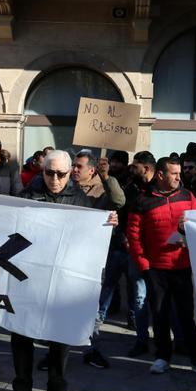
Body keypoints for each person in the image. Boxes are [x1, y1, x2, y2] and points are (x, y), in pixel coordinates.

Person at [10, 150, 117, 391]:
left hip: (62, 282)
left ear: (70, 173)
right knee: (21, 334)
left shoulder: (80, 200)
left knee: (61, 334)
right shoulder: (26, 196)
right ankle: (22, 387)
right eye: (49, 172)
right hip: (28, 278)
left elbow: (90, 237)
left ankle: (57, 387)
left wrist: (107, 224)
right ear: (42, 171)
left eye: (61, 174)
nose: (55, 179)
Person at [126, 156, 196, 376]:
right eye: (175, 173)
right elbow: (134, 236)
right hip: (156, 269)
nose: (180, 177)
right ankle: (162, 356)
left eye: (180, 173)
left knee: (187, 316)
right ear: (160, 175)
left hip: (183, 266)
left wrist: (189, 239)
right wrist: (144, 265)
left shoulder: (188, 196)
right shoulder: (141, 201)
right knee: (159, 315)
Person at [71, 150, 125, 369]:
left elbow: (119, 201)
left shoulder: (103, 190)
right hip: (70, 253)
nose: (74, 170)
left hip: (95, 256)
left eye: (79, 167)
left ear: (92, 170)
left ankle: (90, 348)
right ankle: (56, 349)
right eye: (73, 166)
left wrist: (106, 177)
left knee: (93, 305)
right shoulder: (65, 186)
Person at [115, 151, 157, 359]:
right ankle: (142, 340)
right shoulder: (130, 188)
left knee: (160, 298)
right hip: (136, 250)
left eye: (136, 165)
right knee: (139, 297)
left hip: (158, 253)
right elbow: (124, 213)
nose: (132, 168)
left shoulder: (158, 190)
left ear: (146, 168)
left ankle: (163, 340)